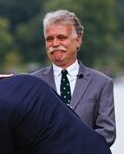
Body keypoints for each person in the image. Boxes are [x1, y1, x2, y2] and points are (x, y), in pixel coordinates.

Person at [31, 9, 115, 146]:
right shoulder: (32, 83)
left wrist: (72, 150)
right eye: (49, 39)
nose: (55, 43)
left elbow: (107, 133)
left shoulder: (102, 83)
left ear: (78, 40)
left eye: (61, 37)